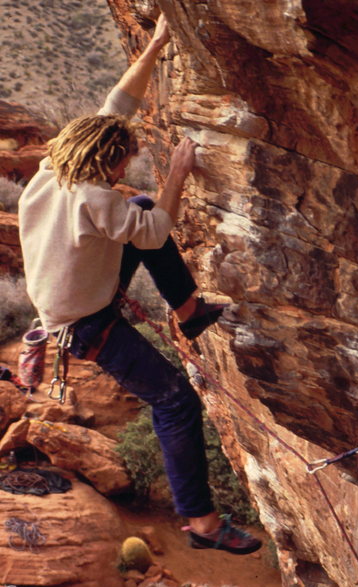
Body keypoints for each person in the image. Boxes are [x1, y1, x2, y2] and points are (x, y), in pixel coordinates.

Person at [19, 14, 262, 555]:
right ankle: (201, 525)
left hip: (71, 294)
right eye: (126, 158)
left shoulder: (54, 168)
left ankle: (189, 309)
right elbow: (152, 236)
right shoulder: (95, 198)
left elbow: (116, 104)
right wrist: (177, 171)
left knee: (142, 207)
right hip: (86, 324)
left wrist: (153, 46)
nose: (130, 162)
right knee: (174, 401)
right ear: (106, 162)